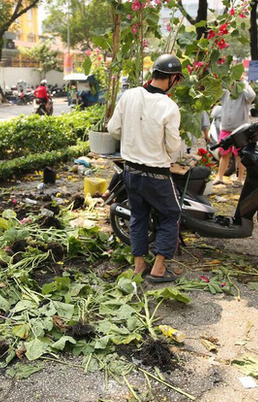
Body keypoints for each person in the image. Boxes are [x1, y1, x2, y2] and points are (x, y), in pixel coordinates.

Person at [107, 54, 183, 283]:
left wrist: (133, 138)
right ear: (173, 79)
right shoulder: (169, 106)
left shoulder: (129, 95)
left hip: (130, 172)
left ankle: (139, 265)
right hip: (156, 175)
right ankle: (158, 269)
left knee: (138, 216)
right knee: (171, 214)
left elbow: (113, 129)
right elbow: (172, 146)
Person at [213, 82, 256, 186]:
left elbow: (251, 96)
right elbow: (215, 95)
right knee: (224, 153)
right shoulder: (225, 91)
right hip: (225, 128)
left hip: (240, 128)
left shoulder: (244, 92)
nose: (232, 84)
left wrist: (243, 83)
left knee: (240, 155)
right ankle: (220, 177)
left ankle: (239, 179)